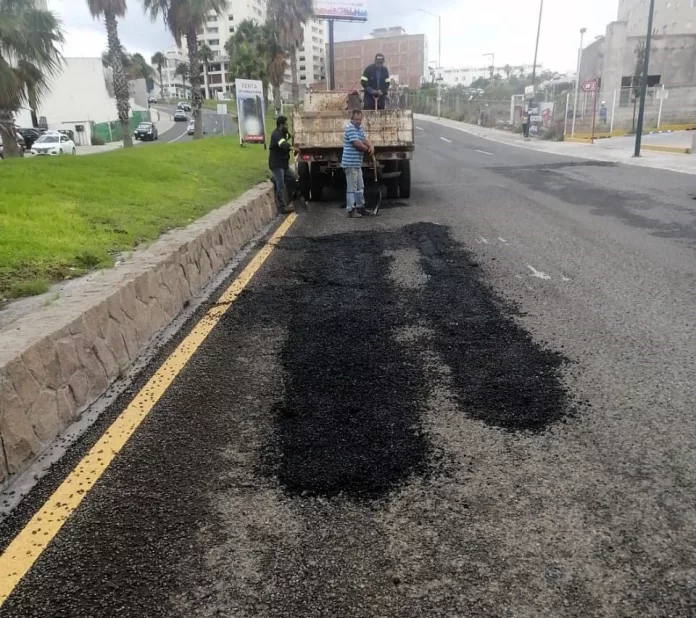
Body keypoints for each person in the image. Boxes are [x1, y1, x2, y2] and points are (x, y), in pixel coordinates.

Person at [342, 110, 373, 218]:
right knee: (352, 188)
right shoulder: (350, 128)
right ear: (352, 119)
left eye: (360, 119)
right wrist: (368, 150)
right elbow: (357, 144)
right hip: (350, 163)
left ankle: (361, 207)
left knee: (360, 187)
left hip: (357, 164)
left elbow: (364, 139)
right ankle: (351, 209)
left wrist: (371, 146)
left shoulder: (359, 128)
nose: (358, 121)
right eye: (356, 119)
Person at [269, 116, 299, 215]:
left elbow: (287, 137)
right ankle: (282, 207)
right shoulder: (276, 134)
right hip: (277, 164)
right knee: (280, 185)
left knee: (295, 177)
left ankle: (291, 199)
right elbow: (283, 144)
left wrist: (293, 135)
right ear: (281, 125)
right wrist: (293, 148)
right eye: (286, 124)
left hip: (284, 165)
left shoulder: (283, 133)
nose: (287, 126)